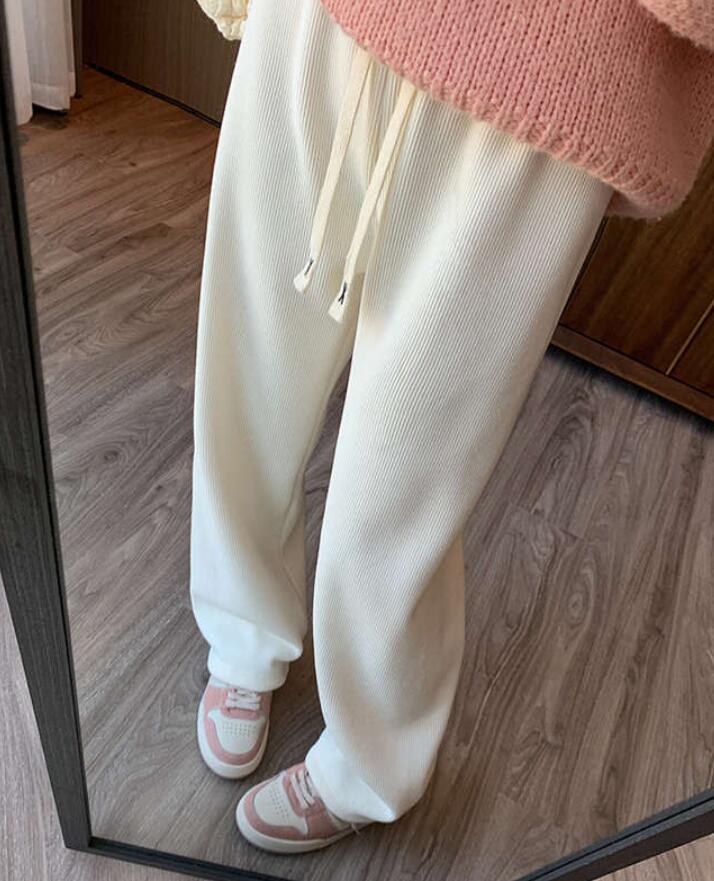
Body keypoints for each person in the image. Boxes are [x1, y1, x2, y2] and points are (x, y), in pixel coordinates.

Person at [190, 0, 714, 854]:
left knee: (411, 467)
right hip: (326, 17)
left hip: (559, 69)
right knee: (252, 358)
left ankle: (369, 761)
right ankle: (240, 623)